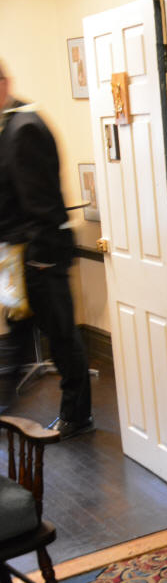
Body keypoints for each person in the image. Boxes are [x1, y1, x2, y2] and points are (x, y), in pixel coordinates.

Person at [0, 60, 93, 436]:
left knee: (61, 336)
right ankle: (4, 407)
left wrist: (39, 259)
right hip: (16, 256)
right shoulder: (9, 125)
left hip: (39, 256)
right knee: (18, 335)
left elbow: (42, 202)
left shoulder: (24, 128)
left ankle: (77, 415)